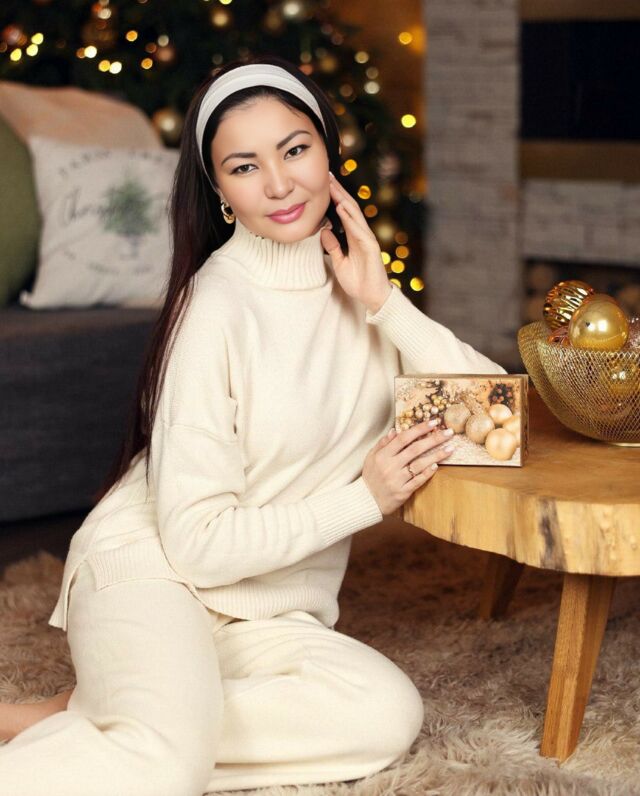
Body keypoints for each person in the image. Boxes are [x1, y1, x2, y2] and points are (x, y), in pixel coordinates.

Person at [0, 54, 507, 796]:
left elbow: (498, 424)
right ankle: (147, 730)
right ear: (220, 191)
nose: (278, 184)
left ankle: (108, 718)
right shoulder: (214, 308)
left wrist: (385, 301)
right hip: (155, 576)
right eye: (245, 167)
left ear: (328, 150)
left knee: (383, 713)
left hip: (268, 617)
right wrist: (364, 500)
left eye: (295, 150)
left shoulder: (362, 299)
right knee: (163, 764)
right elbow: (198, 546)